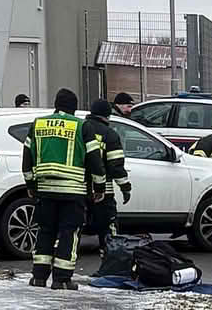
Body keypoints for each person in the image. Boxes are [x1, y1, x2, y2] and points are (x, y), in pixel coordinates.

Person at [20, 89, 106, 290]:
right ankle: (62, 279)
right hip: (72, 191)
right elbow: (95, 159)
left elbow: (26, 157)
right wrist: (99, 187)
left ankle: (39, 277)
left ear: (56, 104)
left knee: (45, 231)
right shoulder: (81, 126)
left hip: (45, 190)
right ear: (74, 108)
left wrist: (31, 185)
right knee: (69, 233)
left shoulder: (38, 124)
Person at [81, 96, 131, 243]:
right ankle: (109, 258)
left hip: (79, 189)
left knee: (73, 228)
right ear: (107, 115)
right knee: (108, 230)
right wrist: (125, 187)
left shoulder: (80, 129)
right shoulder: (109, 134)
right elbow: (116, 166)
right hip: (104, 193)